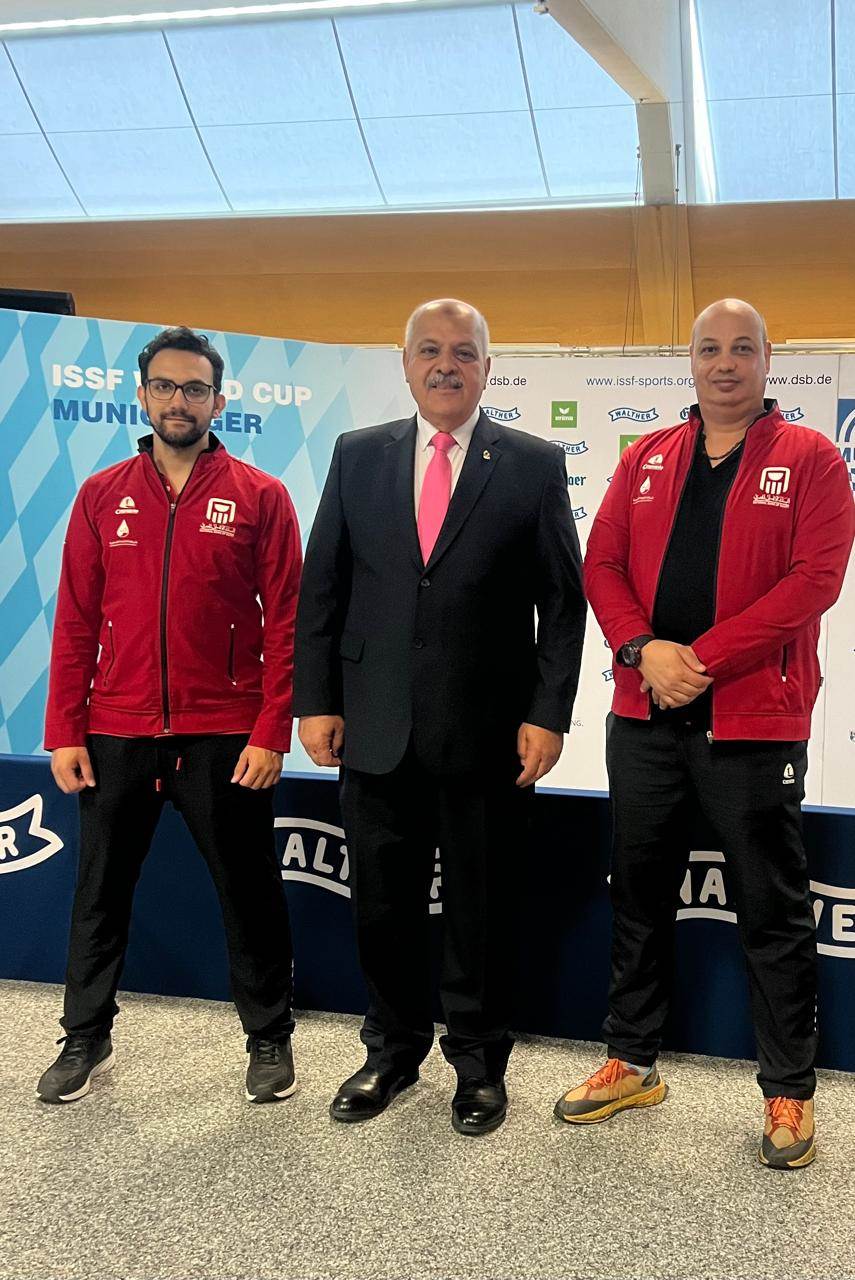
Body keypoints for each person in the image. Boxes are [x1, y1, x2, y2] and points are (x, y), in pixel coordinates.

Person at [555, 298, 855, 1169]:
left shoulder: (810, 458)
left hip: (752, 720)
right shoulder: (645, 456)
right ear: (688, 360)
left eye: (741, 348)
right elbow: (601, 563)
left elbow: (814, 581)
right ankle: (631, 1061)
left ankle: (788, 1093)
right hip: (643, 714)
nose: (724, 362)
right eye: (709, 348)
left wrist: (702, 659)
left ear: (767, 359)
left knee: (770, 908)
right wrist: (641, 650)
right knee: (638, 894)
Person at [294, 298, 585, 1135]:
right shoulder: (357, 455)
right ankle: (390, 1051)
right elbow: (323, 588)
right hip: (373, 725)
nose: (445, 365)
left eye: (463, 352)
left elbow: (562, 603)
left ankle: (478, 1062)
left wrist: (547, 714)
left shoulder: (531, 463)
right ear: (405, 363)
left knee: (479, 909)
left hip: (487, 733)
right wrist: (315, 701)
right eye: (429, 350)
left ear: (487, 369)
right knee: (381, 906)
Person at [38, 326, 302, 1106]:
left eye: (194, 388)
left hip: (224, 732)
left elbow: (287, 624)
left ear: (218, 402)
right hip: (115, 731)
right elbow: (76, 620)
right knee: (98, 893)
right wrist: (65, 730)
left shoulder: (260, 495)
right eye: (164, 386)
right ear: (143, 395)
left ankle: (268, 1038)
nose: (178, 401)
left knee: (249, 894)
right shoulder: (101, 495)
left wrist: (270, 730)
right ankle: (85, 1035)